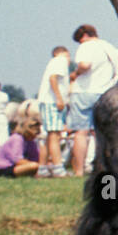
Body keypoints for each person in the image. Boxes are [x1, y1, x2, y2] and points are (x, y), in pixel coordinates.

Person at [67, 24, 118, 176]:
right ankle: (103, 168)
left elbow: (85, 65)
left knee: (81, 132)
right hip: (106, 93)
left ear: (84, 36)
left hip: (85, 91)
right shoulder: (111, 49)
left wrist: (75, 73)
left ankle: (79, 170)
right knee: (102, 133)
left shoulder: (86, 47)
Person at [37, 46, 71, 177]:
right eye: (68, 56)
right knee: (54, 135)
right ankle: (58, 168)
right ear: (63, 53)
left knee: (51, 136)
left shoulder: (55, 62)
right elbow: (53, 78)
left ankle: (42, 168)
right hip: (52, 102)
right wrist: (59, 98)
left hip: (49, 101)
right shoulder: (60, 61)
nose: (69, 59)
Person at [0, 111, 42, 178]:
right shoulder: (17, 139)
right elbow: (18, 160)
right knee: (34, 166)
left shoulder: (30, 141)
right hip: (2, 168)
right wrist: (39, 166)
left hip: (14, 166)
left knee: (38, 166)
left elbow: (36, 157)